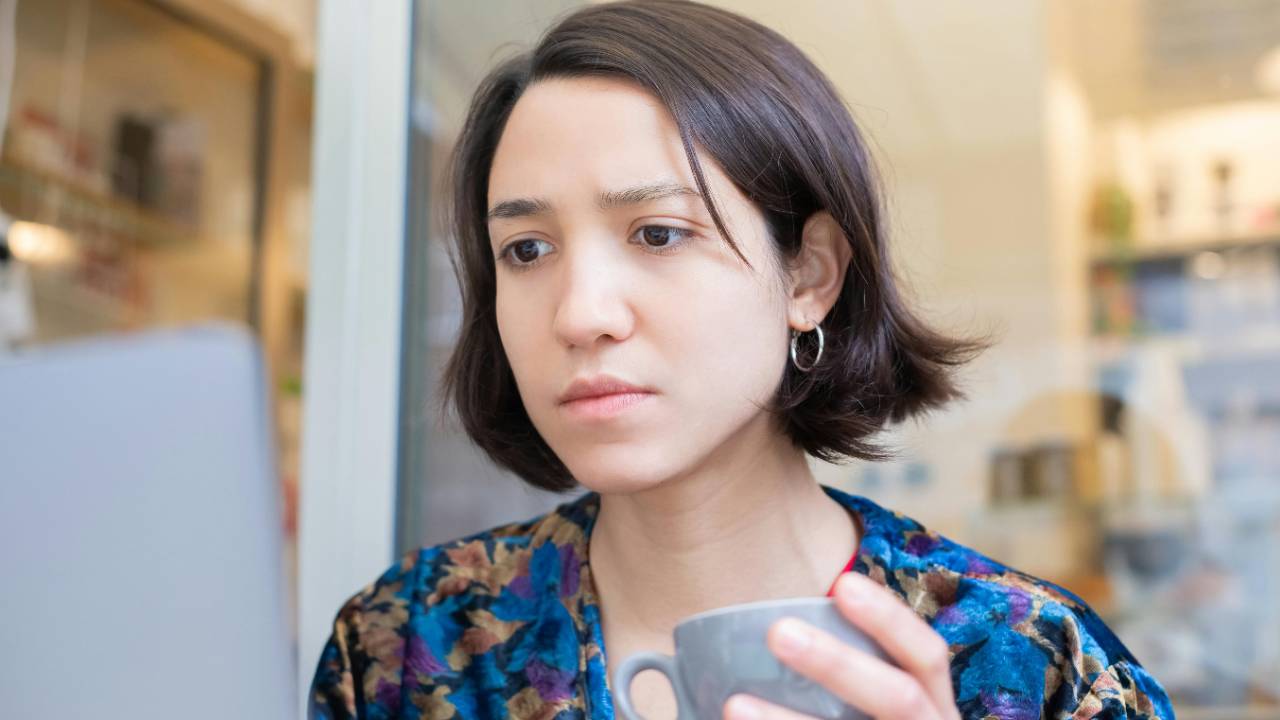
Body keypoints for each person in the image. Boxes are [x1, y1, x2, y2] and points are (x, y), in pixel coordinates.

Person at [309, 1, 1175, 718]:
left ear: (810, 274)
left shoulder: (1033, 665)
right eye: (527, 250)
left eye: (658, 233)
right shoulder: (405, 645)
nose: (580, 314)